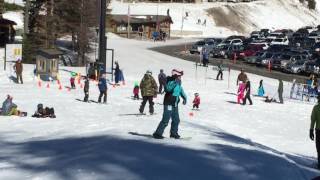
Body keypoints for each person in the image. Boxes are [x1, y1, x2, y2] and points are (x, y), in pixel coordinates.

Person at [153, 69, 187, 139]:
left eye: (181, 76)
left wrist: (184, 98)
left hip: (175, 104)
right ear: (176, 76)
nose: (180, 77)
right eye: (179, 76)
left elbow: (181, 91)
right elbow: (167, 89)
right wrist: (175, 83)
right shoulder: (170, 81)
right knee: (166, 120)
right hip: (168, 103)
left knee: (176, 120)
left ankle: (173, 133)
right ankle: (157, 133)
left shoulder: (178, 83)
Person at [310, 94, 320, 169]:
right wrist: (311, 130)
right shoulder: (316, 108)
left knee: (319, 147)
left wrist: (311, 130)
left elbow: (313, 120)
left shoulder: (316, 107)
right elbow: (313, 120)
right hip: (318, 130)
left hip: (318, 130)